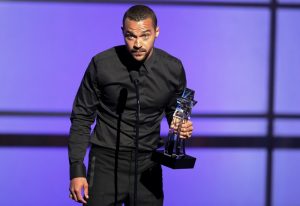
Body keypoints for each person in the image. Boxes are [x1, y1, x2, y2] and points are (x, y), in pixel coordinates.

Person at [68, 4, 193, 206]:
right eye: (130, 36)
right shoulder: (102, 64)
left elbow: (175, 111)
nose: (137, 44)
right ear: (122, 33)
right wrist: (76, 169)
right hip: (105, 163)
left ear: (157, 32)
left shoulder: (172, 68)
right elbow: (81, 117)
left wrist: (180, 127)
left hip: (148, 164)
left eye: (145, 35)